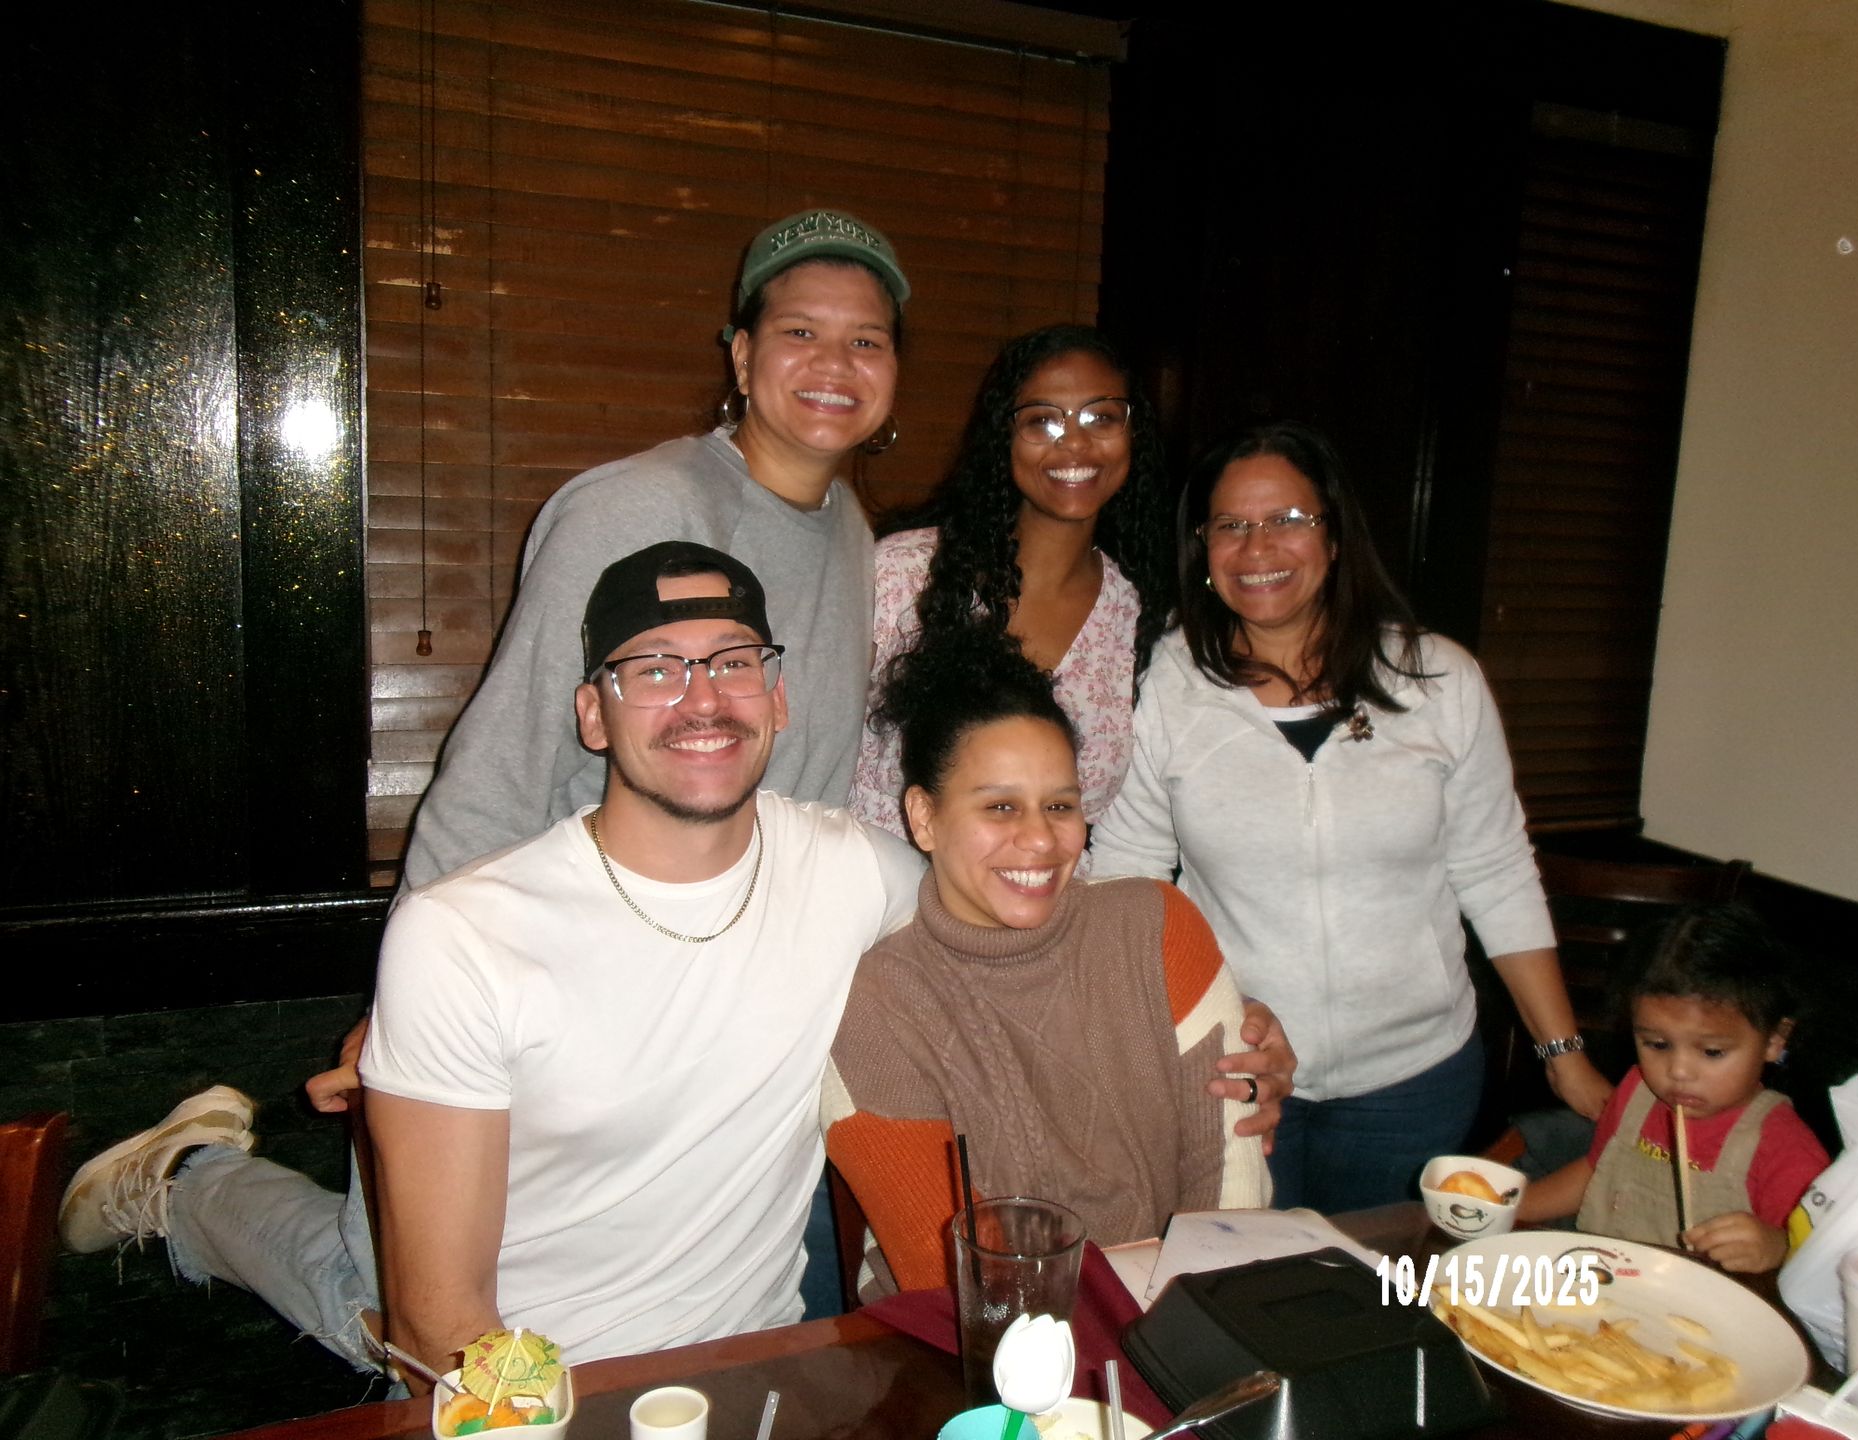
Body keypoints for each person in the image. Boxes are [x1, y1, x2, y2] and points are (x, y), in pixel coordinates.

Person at [59, 545, 1293, 1375]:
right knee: (360, 1297)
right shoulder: (466, 935)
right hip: (533, 1367)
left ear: (780, 699)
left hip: (742, 1360)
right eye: (653, 667)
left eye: (733, 661)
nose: (701, 696)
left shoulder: (854, 872)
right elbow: (445, 1331)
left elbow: (1026, 900)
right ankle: (190, 1181)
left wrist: (1238, 1030)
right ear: (591, 712)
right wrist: (411, 1034)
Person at [1090, 421, 1612, 1213]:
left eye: (1288, 519)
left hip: (1416, 1079)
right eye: (1230, 525)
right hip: (1236, 1066)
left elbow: (1496, 870)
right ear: (1203, 550)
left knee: (1380, 1275)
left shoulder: (1437, 680)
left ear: (1334, 538)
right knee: (1246, 1276)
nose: (1258, 547)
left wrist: (1563, 1055)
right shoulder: (1166, 686)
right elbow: (1128, 876)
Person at [404, 206, 909, 890]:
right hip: (604, 919)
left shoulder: (849, 525)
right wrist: (431, 945)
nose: (835, 363)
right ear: (742, 356)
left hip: (762, 925)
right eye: (800, 331)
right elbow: (503, 762)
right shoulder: (639, 508)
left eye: (866, 341)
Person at [825, 627, 1270, 1291]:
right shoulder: (870, 1006)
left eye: (1060, 805)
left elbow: (1231, 1195)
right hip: (976, 1342)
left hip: (1183, 1317)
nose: (1040, 838)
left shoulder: (1158, 926)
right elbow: (957, 1282)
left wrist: (1191, 1325)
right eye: (1000, 806)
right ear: (923, 818)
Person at [847, 324, 1175, 838]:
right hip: (870, 883)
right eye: (1043, 420)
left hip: (1046, 888)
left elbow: (1126, 829)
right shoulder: (904, 574)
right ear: (1004, 437)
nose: (1075, 442)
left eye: (1101, 417)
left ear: (1133, 433)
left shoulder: (1141, 619)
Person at [1518, 904, 1829, 1273]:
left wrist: (1777, 1247)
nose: (1678, 1071)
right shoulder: (1636, 1092)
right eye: (1657, 1044)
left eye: (1712, 1052)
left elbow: (1820, 1265)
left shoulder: (1786, 1148)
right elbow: (1595, 1172)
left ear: (1775, 1040)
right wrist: (1513, 1207)